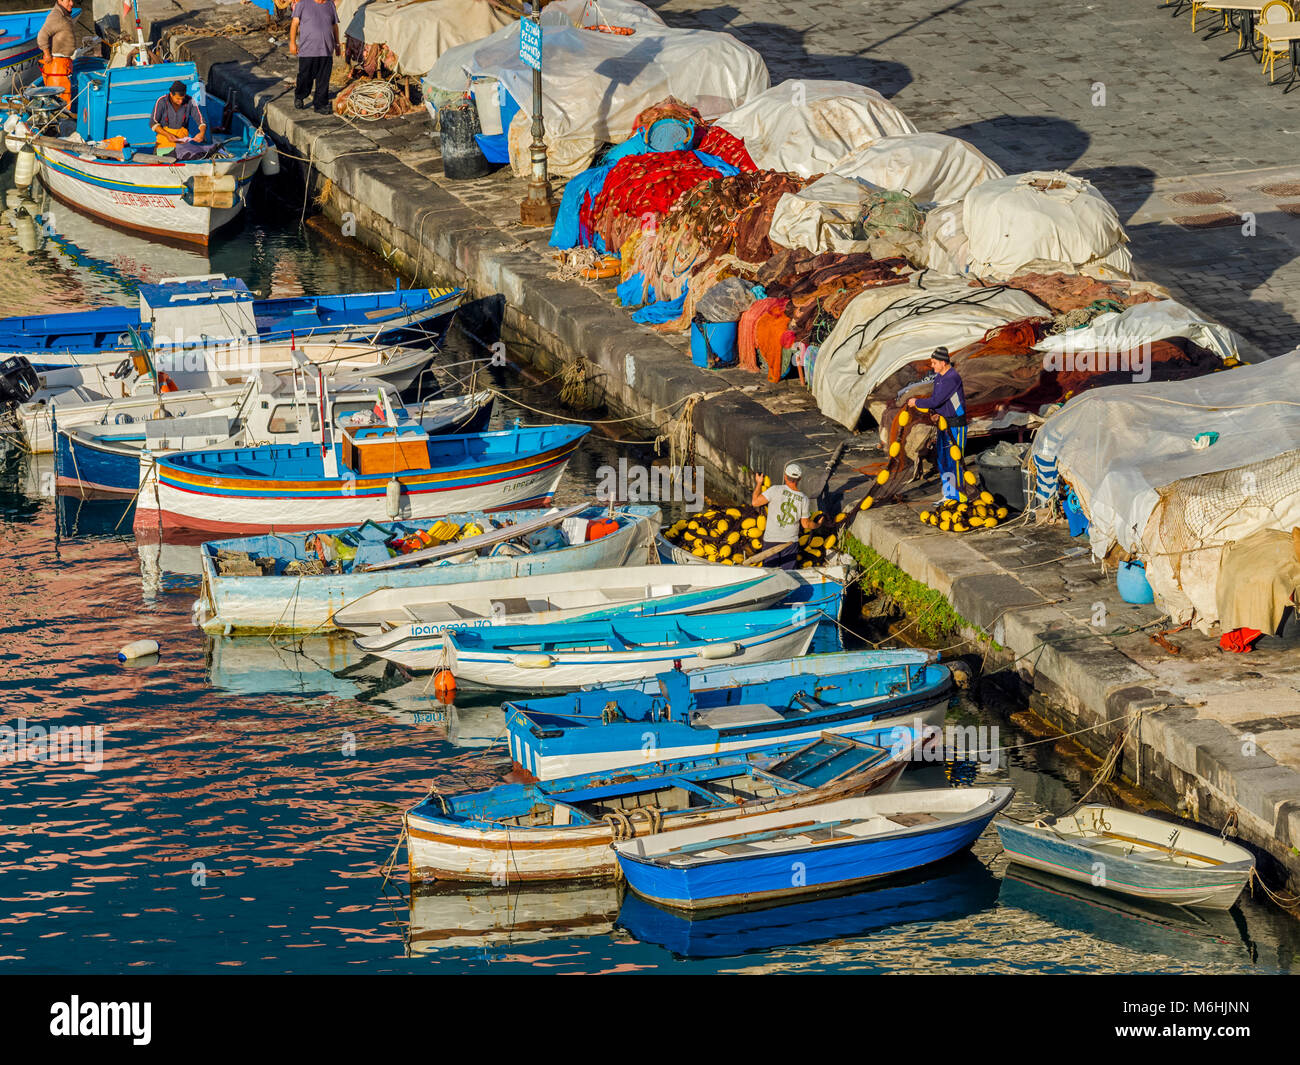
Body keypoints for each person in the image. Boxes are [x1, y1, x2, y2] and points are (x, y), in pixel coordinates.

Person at [906, 346, 967, 503]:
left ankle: (960, 496)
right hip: (943, 425)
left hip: (955, 426)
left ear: (943, 362)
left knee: (955, 460)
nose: (931, 366)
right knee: (943, 459)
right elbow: (940, 400)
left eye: (934, 363)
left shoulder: (952, 378)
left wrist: (916, 402)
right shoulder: (940, 377)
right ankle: (948, 494)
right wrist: (935, 413)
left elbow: (936, 400)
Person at [752, 462, 816, 570]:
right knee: (789, 574)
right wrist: (818, 524)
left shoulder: (775, 489)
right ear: (799, 479)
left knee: (770, 574)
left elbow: (755, 502)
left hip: (771, 540)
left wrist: (759, 483)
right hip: (790, 542)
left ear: (785, 477)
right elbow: (806, 524)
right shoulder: (804, 498)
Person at [289, 0, 341, 115]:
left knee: (323, 79)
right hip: (308, 49)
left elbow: (334, 25)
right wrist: (292, 43)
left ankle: (320, 104)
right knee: (305, 76)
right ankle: (300, 95)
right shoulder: (302, 4)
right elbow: (294, 24)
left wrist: (337, 44)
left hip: (326, 49)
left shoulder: (330, 4)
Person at [37, 0, 77, 105]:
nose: (72, 3)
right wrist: (47, 54)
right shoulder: (56, 16)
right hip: (56, 65)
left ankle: (66, 116)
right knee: (60, 98)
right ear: (60, 1)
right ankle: (62, 120)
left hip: (64, 63)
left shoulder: (64, 14)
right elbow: (42, 35)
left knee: (65, 95)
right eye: (68, 0)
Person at [150, 81, 207, 151]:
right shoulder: (161, 101)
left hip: (182, 145)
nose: (180, 101)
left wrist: (202, 133)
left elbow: (201, 121)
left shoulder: (190, 101)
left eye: (182, 98)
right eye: (178, 99)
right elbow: (153, 123)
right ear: (171, 94)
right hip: (164, 143)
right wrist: (167, 135)